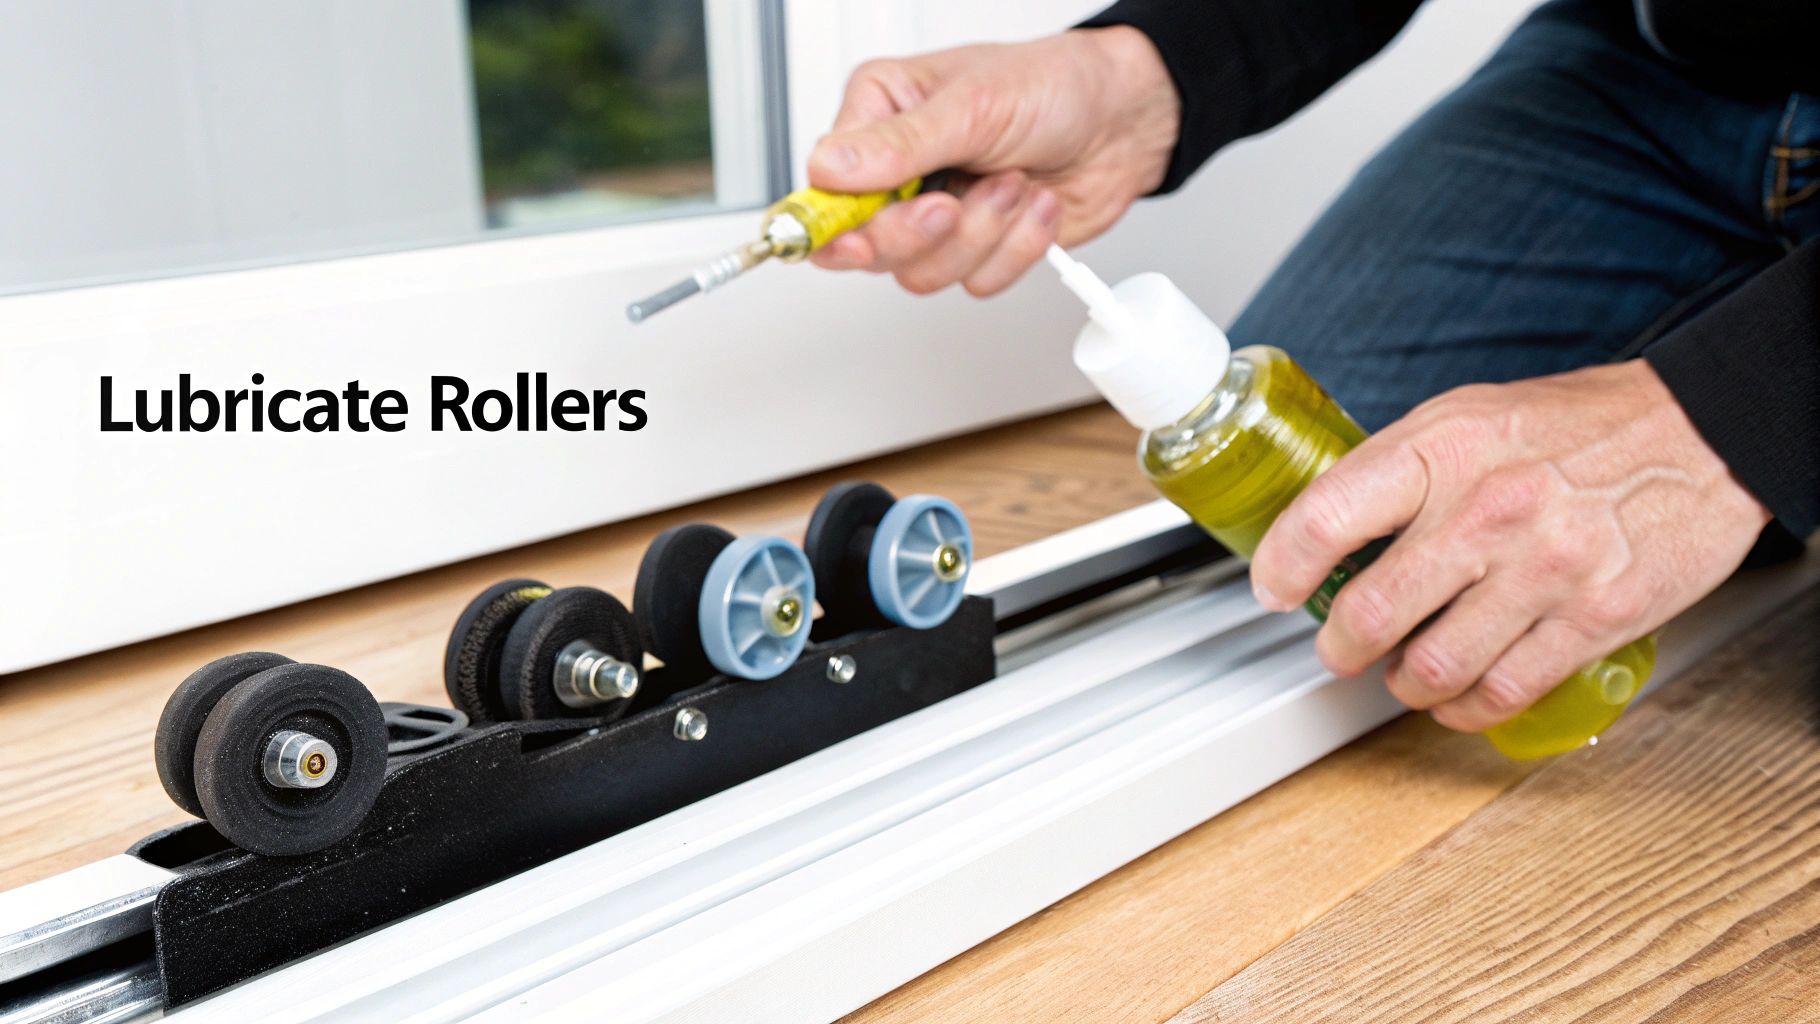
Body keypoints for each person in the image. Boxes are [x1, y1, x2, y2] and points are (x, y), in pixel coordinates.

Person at [802, 0, 1817, 734]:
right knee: (1350, 502)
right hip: (1659, 59)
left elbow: (1733, 413)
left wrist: (1722, 420)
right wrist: (1143, 72)